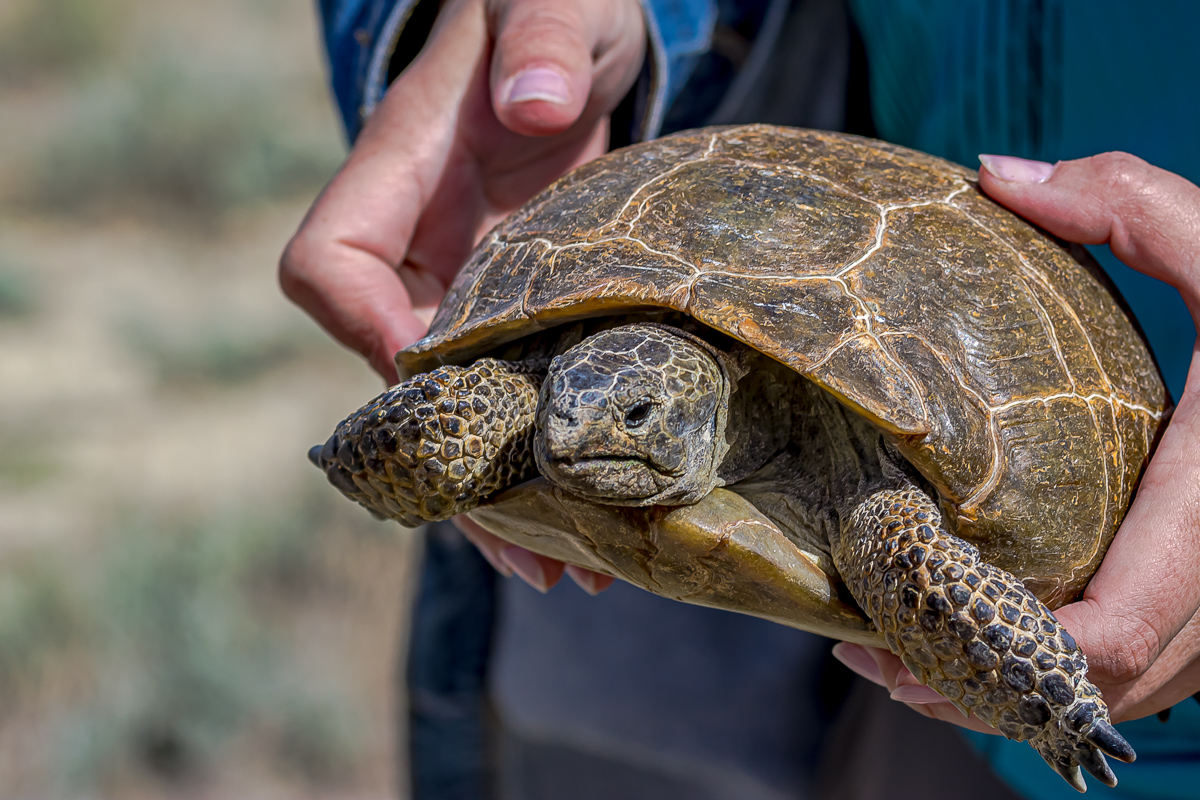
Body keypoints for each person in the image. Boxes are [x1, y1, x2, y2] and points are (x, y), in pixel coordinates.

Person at [284, 1, 1200, 797]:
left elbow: (930, 560)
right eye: (566, 397)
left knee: (924, 580)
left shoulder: (882, 515)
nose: (574, 430)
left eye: (635, 416)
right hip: (862, 726)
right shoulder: (539, 408)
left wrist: (1045, 691)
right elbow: (488, 404)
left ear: (702, 404)